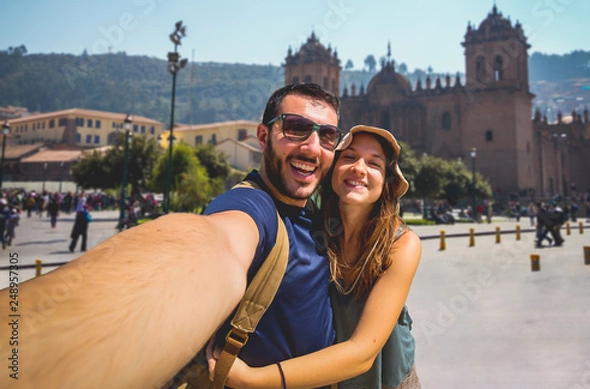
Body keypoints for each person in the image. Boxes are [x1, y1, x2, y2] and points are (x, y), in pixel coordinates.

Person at [0, 83, 342, 389]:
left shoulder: (314, 214)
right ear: (263, 137)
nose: (312, 148)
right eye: (296, 129)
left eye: (327, 135)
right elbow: (214, 244)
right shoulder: (252, 207)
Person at [210, 126, 422, 389]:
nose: (359, 168)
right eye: (348, 157)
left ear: (386, 181)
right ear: (332, 169)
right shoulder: (316, 229)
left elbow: (362, 353)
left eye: (374, 163)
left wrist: (250, 379)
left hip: (388, 381)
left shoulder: (400, 243)